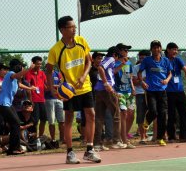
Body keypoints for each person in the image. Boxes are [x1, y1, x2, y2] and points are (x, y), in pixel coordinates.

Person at [46, 15, 101, 164]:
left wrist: (83, 76)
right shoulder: (56, 49)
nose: (74, 29)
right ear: (63, 30)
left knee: (91, 115)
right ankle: (70, 153)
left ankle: (89, 150)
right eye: (71, 27)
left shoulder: (81, 41)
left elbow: (88, 61)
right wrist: (52, 88)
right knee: (68, 118)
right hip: (68, 90)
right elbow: (49, 70)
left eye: (74, 26)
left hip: (85, 86)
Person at [0, 59, 35, 156]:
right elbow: (17, 76)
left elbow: (19, 84)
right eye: (22, 66)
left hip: (8, 104)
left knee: (16, 124)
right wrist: (29, 69)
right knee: (15, 123)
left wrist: (30, 88)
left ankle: (13, 148)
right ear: (17, 66)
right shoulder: (11, 73)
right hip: (2, 103)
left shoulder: (15, 78)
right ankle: (13, 148)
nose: (23, 68)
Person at [138, 40, 172, 146]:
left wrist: (167, 80)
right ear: (151, 49)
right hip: (151, 90)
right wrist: (142, 82)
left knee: (163, 115)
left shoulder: (166, 61)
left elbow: (170, 73)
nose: (156, 49)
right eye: (154, 48)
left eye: (158, 47)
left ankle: (160, 138)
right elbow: (139, 73)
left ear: (161, 49)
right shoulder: (147, 60)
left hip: (162, 91)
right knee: (153, 111)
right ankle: (147, 121)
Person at [164, 42, 186, 142]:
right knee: (171, 115)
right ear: (168, 50)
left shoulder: (178, 60)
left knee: (184, 113)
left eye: (177, 50)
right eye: (173, 49)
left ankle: (185, 135)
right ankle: (171, 136)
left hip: (180, 91)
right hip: (168, 92)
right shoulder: (164, 60)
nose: (176, 51)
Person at [94, 46, 126, 150]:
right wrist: (106, 83)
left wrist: (122, 65)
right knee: (116, 115)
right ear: (114, 54)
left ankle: (97, 144)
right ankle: (116, 141)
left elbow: (112, 72)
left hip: (98, 90)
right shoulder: (111, 59)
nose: (117, 59)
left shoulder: (108, 61)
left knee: (99, 117)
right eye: (118, 56)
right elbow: (100, 68)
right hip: (107, 90)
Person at [114, 43, 136, 148]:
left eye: (128, 50)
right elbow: (113, 72)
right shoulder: (114, 62)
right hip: (119, 92)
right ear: (119, 51)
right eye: (125, 49)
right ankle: (124, 140)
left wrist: (133, 87)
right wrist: (121, 64)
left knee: (131, 114)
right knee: (123, 113)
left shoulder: (129, 63)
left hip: (129, 91)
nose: (127, 51)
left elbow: (130, 76)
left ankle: (124, 134)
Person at [25, 56, 47, 138]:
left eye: (40, 64)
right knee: (35, 120)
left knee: (44, 119)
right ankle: (33, 137)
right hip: (34, 100)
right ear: (33, 64)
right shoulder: (28, 73)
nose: (39, 66)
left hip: (42, 100)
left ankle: (40, 137)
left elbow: (46, 85)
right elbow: (27, 88)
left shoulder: (42, 73)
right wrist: (31, 101)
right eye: (38, 64)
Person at [132, 50, 151, 144]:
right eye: (140, 58)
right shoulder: (136, 68)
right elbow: (134, 82)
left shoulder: (152, 67)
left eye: (143, 58)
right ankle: (142, 137)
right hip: (140, 94)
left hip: (151, 93)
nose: (141, 60)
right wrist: (141, 80)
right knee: (140, 115)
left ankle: (146, 133)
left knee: (150, 114)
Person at [44, 69, 65, 148]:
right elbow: (46, 88)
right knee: (51, 121)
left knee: (62, 120)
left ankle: (62, 139)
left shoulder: (57, 73)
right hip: (49, 99)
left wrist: (54, 86)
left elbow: (62, 84)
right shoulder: (45, 74)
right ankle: (53, 139)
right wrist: (57, 86)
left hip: (59, 98)